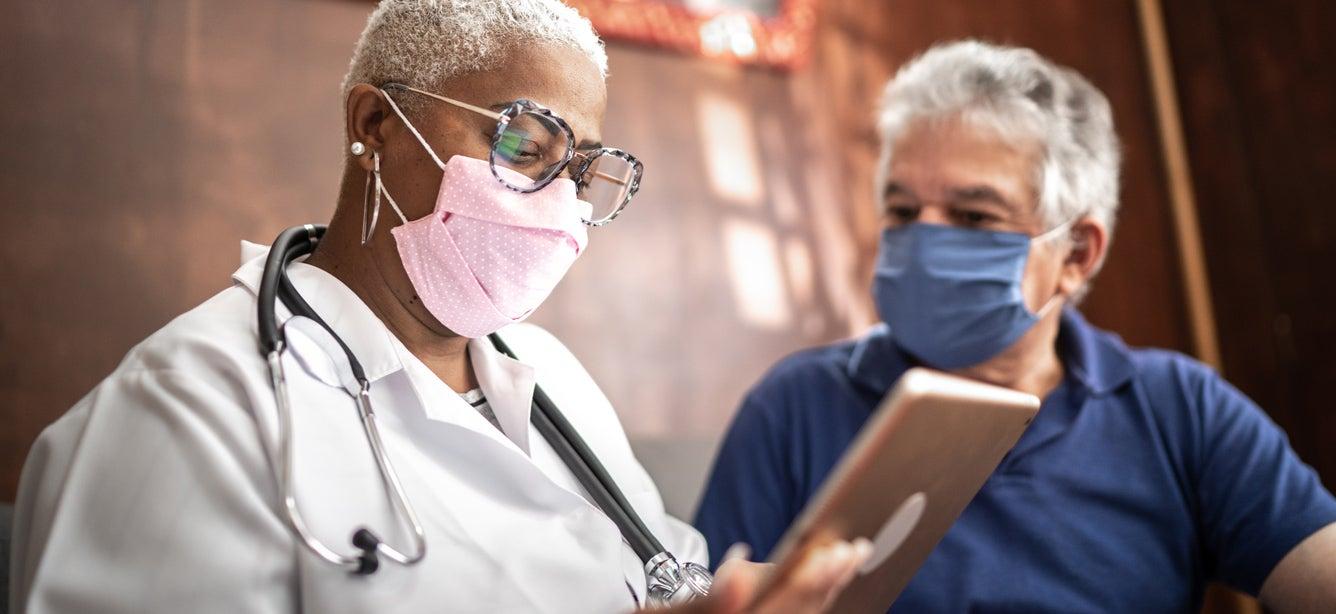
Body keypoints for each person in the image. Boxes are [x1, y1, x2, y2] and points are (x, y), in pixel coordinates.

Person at [9, 1, 871, 612]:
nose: (559, 203)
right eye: (522, 146)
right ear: (377, 124)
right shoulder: (189, 407)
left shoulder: (554, 380)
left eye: (579, 173)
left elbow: (669, 572)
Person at [694, 40, 1336, 612]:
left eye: (974, 217)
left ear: (1077, 255)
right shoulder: (793, 408)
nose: (924, 238)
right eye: (903, 209)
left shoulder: (1179, 409)